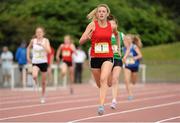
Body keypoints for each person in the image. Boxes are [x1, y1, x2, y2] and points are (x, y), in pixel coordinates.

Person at [79, 4, 121, 115]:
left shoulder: (111, 26)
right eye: (99, 11)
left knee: (103, 80)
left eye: (103, 11)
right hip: (95, 57)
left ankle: (101, 106)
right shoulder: (92, 25)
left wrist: (117, 48)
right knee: (100, 84)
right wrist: (87, 37)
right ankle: (108, 80)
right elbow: (80, 41)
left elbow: (117, 35)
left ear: (107, 14)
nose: (101, 13)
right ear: (97, 14)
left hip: (108, 56)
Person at [107, 15, 130, 109]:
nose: (111, 25)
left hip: (117, 59)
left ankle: (114, 100)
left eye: (113, 23)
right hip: (107, 59)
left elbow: (128, 47)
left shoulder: (121, 35)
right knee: (108, 83)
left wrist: (124, 56)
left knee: (115, 79)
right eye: (110, 23)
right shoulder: (105, 34)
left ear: (116, 25)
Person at [27, 26, 51, 104]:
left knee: (43, 82)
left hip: (43, 62)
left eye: (40, 32)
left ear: (43, 33)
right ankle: (36, 84)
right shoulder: (33, 41)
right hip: (35, 62)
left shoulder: (46, 40)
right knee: (34, 75)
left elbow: (49, 51)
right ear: (35, 33)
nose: (39, 33)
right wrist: (27, 57)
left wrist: (42, 45)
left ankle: (43, 96)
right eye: (37, 32)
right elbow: (28, 48)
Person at [124, 34, 143, 100]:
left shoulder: (134, 47)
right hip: (127, 66)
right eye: (126, 39)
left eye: (128, 39)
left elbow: (140, 55)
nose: (127, 41)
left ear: (131, 40)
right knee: (126, 80)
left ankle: (131, 85)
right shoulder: (124, 47)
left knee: (133, 82)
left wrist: (135, 58)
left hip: (135, 66)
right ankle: (130, 94)